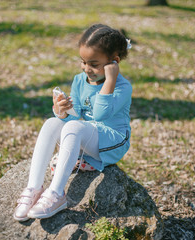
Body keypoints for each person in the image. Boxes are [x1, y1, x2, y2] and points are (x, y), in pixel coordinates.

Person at [13, 23, 132, 221]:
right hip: (88, 134)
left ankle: (56, 193)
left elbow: (101, 115)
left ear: (114, 62)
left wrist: (110, 80)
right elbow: (75, 116)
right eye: (83, 62)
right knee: (52, 123)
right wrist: (61, 111)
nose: (87, 69)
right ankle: (34, 187)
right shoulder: (79, 80)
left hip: (113, 140)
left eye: (94, 64)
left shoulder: (122, 87)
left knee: (74, 127)